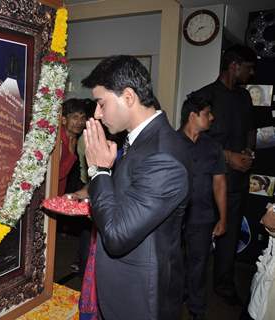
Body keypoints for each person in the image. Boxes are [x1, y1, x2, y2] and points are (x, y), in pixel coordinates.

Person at [81, 55, 191, 319]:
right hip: (125, 286)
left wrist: (99, 171)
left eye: (101, 103)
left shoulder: (163, 154)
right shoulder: (140, 140)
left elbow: (118, 235)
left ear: (128, 97)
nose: (97, 113)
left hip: (141, 296)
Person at [192, 45, 257, 305]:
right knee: (198, 238)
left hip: (237, 183)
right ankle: (191, 289)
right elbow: (193, 137)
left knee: (230, 237)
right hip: (207, 183)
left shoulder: (244, 98)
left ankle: (224, 284)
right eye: (248, 68)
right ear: (234, 66)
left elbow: (251, 129)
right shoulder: (204, 97)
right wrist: (229, 157)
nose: (251, 74)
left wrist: (249, 152)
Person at [178, 96, 227, 320]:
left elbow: (219, 183)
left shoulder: (213, 147)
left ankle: (196, 309)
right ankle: (174, 301)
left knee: (199, 265)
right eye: (207, 113)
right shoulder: (171, 143)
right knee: (173, 263)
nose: (212, 117)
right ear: (193, 116)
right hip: (173, 217)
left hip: (203, 216)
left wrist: (223, 218)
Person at [58, 98, 88, 196]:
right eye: (75, 117)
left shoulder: (76, 138)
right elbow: (57, 175)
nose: (80, 122)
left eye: (83, 118)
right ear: (63, 120)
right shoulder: (58, 140)